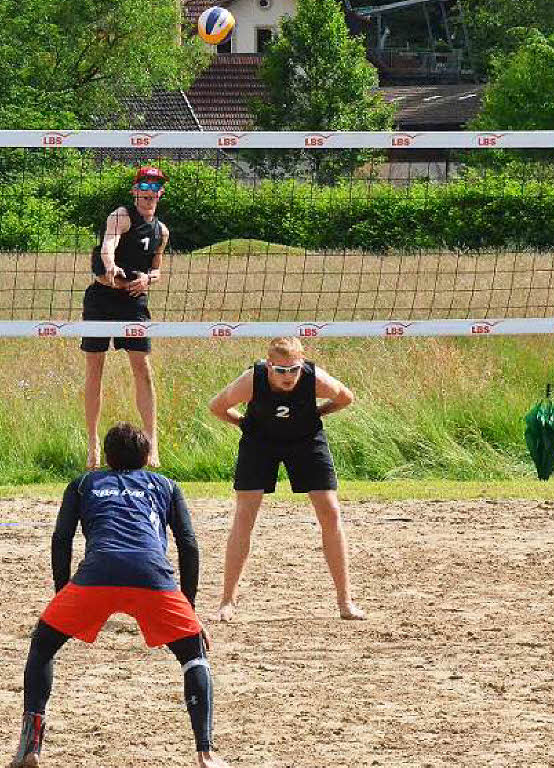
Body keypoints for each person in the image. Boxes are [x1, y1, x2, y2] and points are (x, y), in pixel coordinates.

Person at [8, 423, 229, 768]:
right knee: (193, 657)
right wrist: (190, 609)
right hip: (152, 578)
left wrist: (62, 593)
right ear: (146, 457)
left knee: (43, 645)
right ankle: (206, 752)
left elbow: (60, 539)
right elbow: (188, 544)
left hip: (96, 576)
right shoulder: (167, 486)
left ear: (106, 458)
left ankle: (31, 747)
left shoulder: (82, 484)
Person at [208, 336, 365, 622]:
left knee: (330, 511)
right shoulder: (250, 380)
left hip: (306, 440)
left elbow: (345, 397)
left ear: (301, 364)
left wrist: (317, 413)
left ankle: (345, 602)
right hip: (260, 441)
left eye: (293, 369)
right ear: (268, 366)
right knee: (245, 513)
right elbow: (216, 406)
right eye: (280, 370)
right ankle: (227, 601)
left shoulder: (314, 379)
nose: (287, 376)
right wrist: (243, 423)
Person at [82, 166, 169, 470]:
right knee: (95, 368)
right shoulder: (121, 215)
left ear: (160, 193)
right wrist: (111, 266)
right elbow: (108, 245)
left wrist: (149, 279)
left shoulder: (162, 231)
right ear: (135, 191)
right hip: (102, 299)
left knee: (143, 369)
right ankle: (93, 445)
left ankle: (151, 445)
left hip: (133, 302)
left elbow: (157, 269)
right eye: (144, 185)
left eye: (155, 186)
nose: (150, 191)